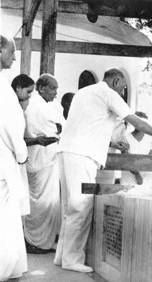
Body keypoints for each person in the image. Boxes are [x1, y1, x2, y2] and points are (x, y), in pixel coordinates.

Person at [54, 68, 152, 272]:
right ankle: (71, 259)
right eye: (123, 88)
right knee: (81, 206)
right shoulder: (108, 93)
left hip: (66, 151)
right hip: (82, 155)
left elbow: (91, 125)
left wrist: (114, 143)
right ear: (116, 81)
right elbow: (134, 120)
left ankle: (62, 256)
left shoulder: (84, 92)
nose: (123, 93)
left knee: (69, 207)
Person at [0, 35, 28, 281]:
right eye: (11, 52)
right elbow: (10, 126)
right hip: (2, 162)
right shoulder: (2, 86)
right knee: (5, 219)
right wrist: (21, 155)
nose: (14, 57)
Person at [23, 73, 61, 254]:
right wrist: (58, 131)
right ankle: (34, 240)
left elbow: (57, 128)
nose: (56, 92)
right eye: (53, 88)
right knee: (38, 202)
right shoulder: (35, 106)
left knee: (48, 202)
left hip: (47, 159)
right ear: (41, 88)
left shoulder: (46, 106)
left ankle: (43, 240)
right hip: (39, 160)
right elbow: (48, 132)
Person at [121, 111, 152, 187]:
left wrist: (140, 175)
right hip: (129, 177)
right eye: (137, 122)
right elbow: (125, 158)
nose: (140, 125)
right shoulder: (125, 138)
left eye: (143, 123)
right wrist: (137, 173)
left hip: (146, 177)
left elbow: (150, 159)